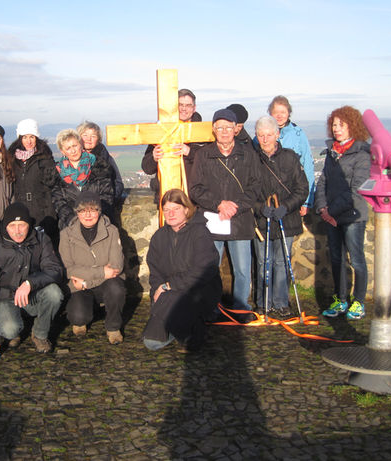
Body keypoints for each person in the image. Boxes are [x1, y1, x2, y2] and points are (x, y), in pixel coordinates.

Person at [189, 108, 261, 311]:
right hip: (213, 219)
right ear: (213, 129)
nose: (224, 131)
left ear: (236, 130)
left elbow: (255, 186)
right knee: (210, 269)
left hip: (240, 219)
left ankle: (241, 307)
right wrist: (219, 204)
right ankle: (212, 307)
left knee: (243, 269)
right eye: (220, 127)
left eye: (228, 127)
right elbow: (196, 189)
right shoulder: (203, 155)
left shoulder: (248, 154)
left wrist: (234, 206)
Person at [0, 202, 64, 359]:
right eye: (12, 225)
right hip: (6, 299)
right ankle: (14, 329)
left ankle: (39, 334)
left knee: (54, 293)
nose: (17, 231)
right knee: (10, 329)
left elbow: (55, 270)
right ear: (5, 226)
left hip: (32, 295)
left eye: (22, 225)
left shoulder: (41, 239)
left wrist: (30, 283)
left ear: (29, 225)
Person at [142, 189, 222, 352]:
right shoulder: (159, 236)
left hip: (197, 289)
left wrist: (169, 286)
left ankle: (192, 331)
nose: (171, 214)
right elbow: (155, 270)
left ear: (186, 209)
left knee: (177, 307)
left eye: (176, 209)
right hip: (168, 293)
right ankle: (180, 327)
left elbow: (203, 270)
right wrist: (159, 288)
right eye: (167, 210)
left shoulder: (200, 232)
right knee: (152, 342)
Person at [315, 106, 371, 320]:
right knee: (337, 259)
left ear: (352, 126)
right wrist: (322, 207)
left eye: (341, 125)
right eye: (334, 125)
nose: (336, 129)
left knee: (356, 260)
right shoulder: (332, 151)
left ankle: (358, 302)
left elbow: (356, 189)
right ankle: (340, 299)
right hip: (332, 215)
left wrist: (331, 211)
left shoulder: (362, 153)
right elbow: (323, 182)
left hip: (353, 216)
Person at [252, 116, 309, 317]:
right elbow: (247, 193)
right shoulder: (252, 159)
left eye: (269, 134)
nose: (265, 139)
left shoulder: (290, 158)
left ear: (277, 134)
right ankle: (263, 303)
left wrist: (286, 206)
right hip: (262, 221)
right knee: (263, 263)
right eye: (261, 135)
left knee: (282, 262)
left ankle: (281, 302)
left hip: (287, 218)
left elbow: (302, 188)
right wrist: (260, 208)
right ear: (256, 136)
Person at [59, 191, 125, 344]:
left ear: (99, 211)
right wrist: (102, 271)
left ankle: (113, 327)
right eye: (83, 210)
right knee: (78, 317)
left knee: (116, 289)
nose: (88, 215)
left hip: (95, 284)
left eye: (93, 210)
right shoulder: (66, 235)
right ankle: (88, 312)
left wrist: (87, 282)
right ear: (77, 213)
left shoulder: (112, 231)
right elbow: (69, 269)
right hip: (78, 287)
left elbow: (116, 267)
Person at [141, 88, 205, 203]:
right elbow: (146, 167)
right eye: (180, 104)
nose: (184, 108)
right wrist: (154, 158)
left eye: (188, 105)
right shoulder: (160, 132)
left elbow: (210, 163)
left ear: (194, 108)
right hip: (166, 199)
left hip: (195, 199)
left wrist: (190, 152)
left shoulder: (204, 132)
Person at [7, 118, 60, 243]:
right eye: (25, 137)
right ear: (20, 138)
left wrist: (50, 214)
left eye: (32, 137)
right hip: (21, 209)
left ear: (37, 137)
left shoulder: (44, 157)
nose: (29, 141)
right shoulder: (12, 158)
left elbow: (51, 186)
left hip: (42, 209)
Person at [52, 129, 114, 229]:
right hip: (70, 227)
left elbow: (107, 195)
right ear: (62, 151)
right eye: (68, 148)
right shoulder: (57, 173)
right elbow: (59, 202)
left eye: (75, 146)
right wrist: (72, 220)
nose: (73, 151)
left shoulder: (99, 166)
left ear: (80, 144)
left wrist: (92, 217)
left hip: (98, 224)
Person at [267, 95, 315, 215]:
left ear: (289, 113)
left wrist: (306, 202)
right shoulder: (263, 134)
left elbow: (307, 165)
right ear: (270, 114)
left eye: (283, 112)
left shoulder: (298, 134)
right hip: (269, 196)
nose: (279, 116)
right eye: (276, 112)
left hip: (292, 195)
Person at [77, 121, 126, 208]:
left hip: (102, 207)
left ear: (98, 140)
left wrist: (108, 201)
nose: (89, 139)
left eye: (93, 136)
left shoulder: (105, 158)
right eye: (85, 135)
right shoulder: (71, 158)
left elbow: (118, 183)